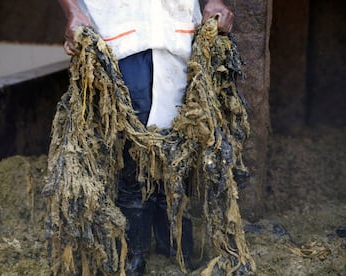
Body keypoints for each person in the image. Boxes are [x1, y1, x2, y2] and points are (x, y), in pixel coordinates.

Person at [58, 1, 234, 275]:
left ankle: (174, 245)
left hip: (177, 24)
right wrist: (73, 10)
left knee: (180, 133)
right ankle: (133, 253)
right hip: (119, 25)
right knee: (131, 140)